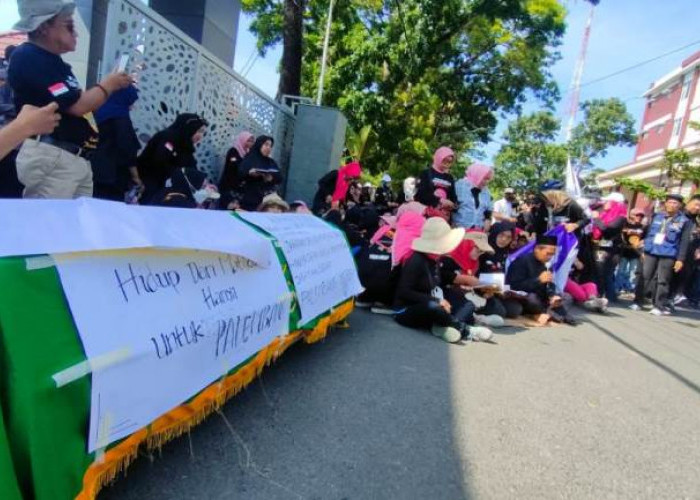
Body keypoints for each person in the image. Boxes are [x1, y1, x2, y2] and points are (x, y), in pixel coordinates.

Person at [9, 0, 133, 198]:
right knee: (50, 225)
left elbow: (79, 102)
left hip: (71, 157)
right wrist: (110, 84)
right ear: (43, 28)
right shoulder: (29, 57)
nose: (75, 33)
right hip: (54, 155)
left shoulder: (51, 61)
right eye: (69, 25)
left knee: (71, 225)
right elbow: (77, 106)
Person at [393, 217, 492, 343]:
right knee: (435, 308)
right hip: (407, 309)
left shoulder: (435, 257)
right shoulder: (415, 260)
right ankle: (466, 330)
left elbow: (440, 280)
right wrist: (437, 300)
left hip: (432, 298)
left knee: (467, 305)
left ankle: (441, 326)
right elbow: (404, 292)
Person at [631, 194, 693, 316]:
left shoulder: (684, 221)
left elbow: (684, 241)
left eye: (675, 203)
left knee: (663, 280)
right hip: (651, 250)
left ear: (680, 206)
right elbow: (647, 233)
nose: (672, 205)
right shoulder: (656, 216)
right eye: (670, 202)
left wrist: (680, 259)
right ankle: (638, 301)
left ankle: (658, 305)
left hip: (669, 253)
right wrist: (642, 249)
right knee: (644, 275)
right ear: (666, 203)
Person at [506, 234, 577, 325]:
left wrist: (553, 295)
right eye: (548, 254)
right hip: (525, 298)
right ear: (537, 249)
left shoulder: (546, 264)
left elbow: (549, 285)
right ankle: (551, 314)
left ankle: (547, 313)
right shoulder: (522, 261)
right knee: (532, 298)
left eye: (552, 254)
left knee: (567, 297)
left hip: (542, 298)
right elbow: (514, 286)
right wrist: (538, 280)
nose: (550, 257)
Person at [137, 113, 208, 203]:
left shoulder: (186, 144)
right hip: (149, 183)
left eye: (203, 132)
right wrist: (180, 175)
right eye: (199, 131)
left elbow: (191, 167)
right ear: (190, 128)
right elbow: (159, 162)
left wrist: (203, 182)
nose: (201, 136)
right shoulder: (168, 137)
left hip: (166, 186)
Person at [91, 85, 142, 201]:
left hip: (94, 170)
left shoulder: (98, 113)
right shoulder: (120, 118)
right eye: (131, 101)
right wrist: (136, 177)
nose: (132, 106)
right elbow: (127, 150)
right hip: (113, 175)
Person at [590, 192, 628, 302]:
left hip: (611, 249)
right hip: (599, 247)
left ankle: (603, 295)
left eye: (607, 201)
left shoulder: (621, 218)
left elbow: (607, 230)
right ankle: (600, 294)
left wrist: (597, 219)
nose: (604, 203)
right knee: (598, 272)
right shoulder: (604, 214)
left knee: (604, 273)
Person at [670, 194, 700, 306]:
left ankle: (673, 298)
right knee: (671, 277)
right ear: (689, 203)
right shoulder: (679, 215)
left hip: (689, 255)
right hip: (675, 252)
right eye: (696, 204)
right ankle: (665, 299)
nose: (698, 208)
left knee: (683, 278)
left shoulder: (695, 220)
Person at [238, 135, 282, 210]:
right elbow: (240, 174)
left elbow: (280, 177)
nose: (268, 148)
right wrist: (249, 173)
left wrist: (271, 178)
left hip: (267, 202)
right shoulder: (249, 159)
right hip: (250, 200)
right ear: (259, 144)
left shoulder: (271, 162)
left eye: (270, 146)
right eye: (266, 145)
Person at [415, 146, 458, 212]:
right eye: (445, 160)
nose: (447, 163)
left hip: (443, 215)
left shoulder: (450, 177)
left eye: (450, 161)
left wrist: (452, 204)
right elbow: (420, 194)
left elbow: (453, 196)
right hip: (426, 213)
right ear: (439, 157)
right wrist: (439, 200)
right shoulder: (425, 173)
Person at [152, 167, 220, 209]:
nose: (206, 190)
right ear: (190, 186)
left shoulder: (167, 192)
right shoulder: (177, 201)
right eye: (203, 187)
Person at [219, 131, 254, 210]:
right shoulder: (233, 151)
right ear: (242, 140)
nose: (250, 143)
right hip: (229, 187)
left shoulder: (247, 154)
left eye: (252, 141)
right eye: (248, 141)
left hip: (240, 189)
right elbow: (233, 164)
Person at [454, 163, 494, 230]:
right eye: (484, 178)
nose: (486, 182)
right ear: (477, 175)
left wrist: (487, 223)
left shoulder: (486, 192)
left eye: (488, 179)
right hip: (458, 230)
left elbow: (488, 212)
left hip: (477, 231)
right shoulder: (459, 186)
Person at [615, 209, 646, 295]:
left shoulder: (643, 227)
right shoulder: (625, 224)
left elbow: (645, 237)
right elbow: (621, 232)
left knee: (632, 272)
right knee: (621, 270)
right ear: (631, 215)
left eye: (641, 216)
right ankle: (618, 287)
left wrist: (641, 243)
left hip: (636, 253)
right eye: (637, 215)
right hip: (625, 251)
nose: (639, 218)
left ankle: (630, 289)